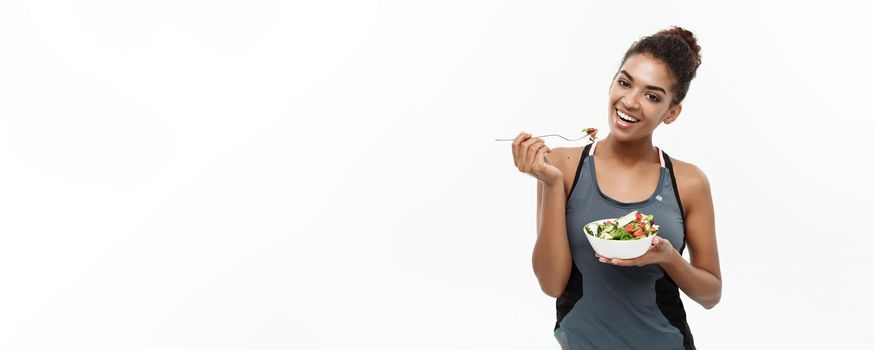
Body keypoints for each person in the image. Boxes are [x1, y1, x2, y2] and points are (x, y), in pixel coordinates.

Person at [511, 26, 721, 350]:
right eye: (625, 83)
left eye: (652, 96)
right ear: (612, 82)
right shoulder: (562, 166)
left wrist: (668, 258)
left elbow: (710, 294)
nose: (630, 102)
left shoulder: (689, 182)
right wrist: (552, 185)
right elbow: (552, 284)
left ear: (672, 113)